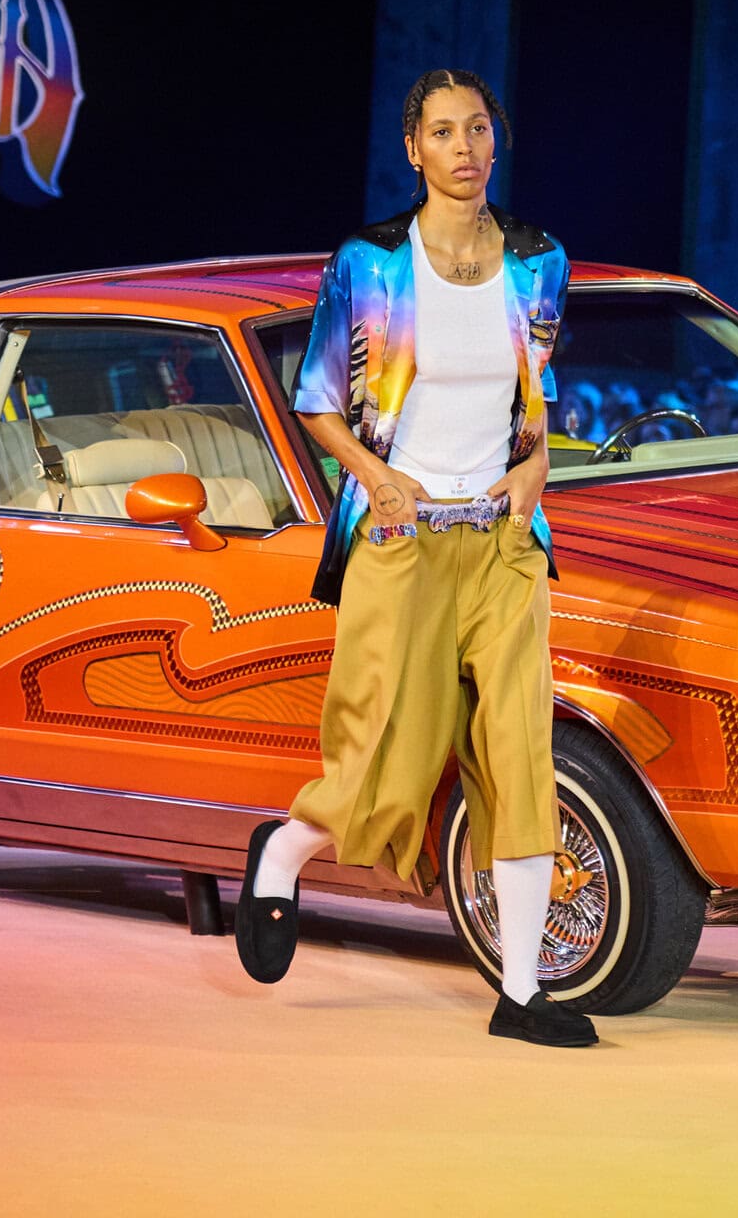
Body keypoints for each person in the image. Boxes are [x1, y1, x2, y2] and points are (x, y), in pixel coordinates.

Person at [240, 68, 593, 1048]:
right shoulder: (371, 263)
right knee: (382, 763)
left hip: (504, 541)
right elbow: (318, 402)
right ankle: (285, 852)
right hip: (401, 540)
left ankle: (521, 990)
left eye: (478, 128)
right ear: (414, 149)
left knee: (519, 755)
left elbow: (536, 390)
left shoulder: (539, 260)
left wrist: (537, 467)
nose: (465, 147)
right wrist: (378, 478)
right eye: (443, 132)